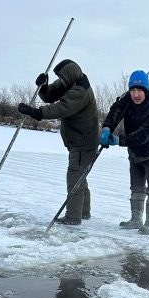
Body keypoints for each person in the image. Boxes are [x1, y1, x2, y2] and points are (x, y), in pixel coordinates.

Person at [18, 59, 99, 225]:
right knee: (80, 176)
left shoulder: (80, 91)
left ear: (69, 74)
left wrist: (36, 112)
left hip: (84, 142)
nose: (60, 80)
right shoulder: (70, 82)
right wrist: (44, 86)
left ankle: (73, 217)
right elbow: (51, 95)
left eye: (61, 77)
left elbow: (61, 107)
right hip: (78, 139)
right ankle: (84, 212)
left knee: (75, 177)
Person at [100, 70, 149, 235]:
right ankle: (136, 219)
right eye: (132, 90)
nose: (135, 94)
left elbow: (143, 136)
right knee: (136, 186)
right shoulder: (127, 98)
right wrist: (107, 128)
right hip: (135, 152)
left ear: (146, 90)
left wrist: (118, 140)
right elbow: (116, 110)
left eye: (139, 90)